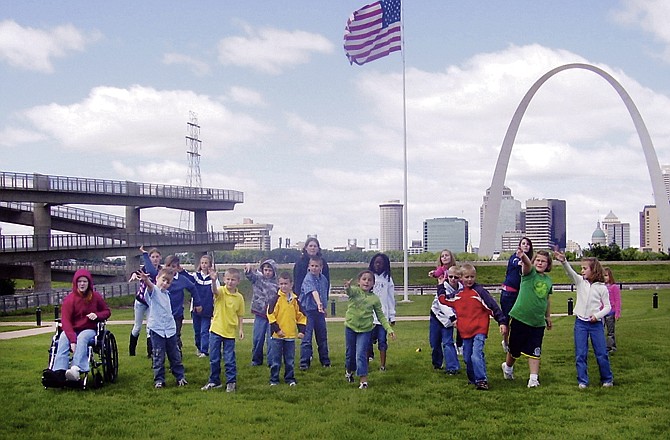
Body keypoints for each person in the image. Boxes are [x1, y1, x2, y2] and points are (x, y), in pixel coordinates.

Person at [555, 252, 614, 389]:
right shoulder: (580, 282)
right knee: (581, 353)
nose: (582, 271)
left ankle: (607, 379)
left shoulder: (602, 288)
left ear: (593, 270)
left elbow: (607, 307)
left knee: (601, 353)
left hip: (596, 325)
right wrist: (564, 262)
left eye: (584, 268)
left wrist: (597, 316)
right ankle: (582, 381)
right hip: (580, 323)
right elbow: (571, 273)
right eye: (581, 268)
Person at [444, 263, 507, 390]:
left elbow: (492, 306)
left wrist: (502, 322)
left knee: (476, 355)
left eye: (472, 277)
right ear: (461, 278)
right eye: (466, 277)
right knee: (467, 357)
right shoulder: (459, 294)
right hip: (466, 331)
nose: (469, 280)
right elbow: (443, 299)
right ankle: (473, 379)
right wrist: (441, 285)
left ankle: (481, 380)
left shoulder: (480, 292)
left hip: (479, 329)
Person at [501, 249, 553, 388]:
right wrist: (523, 256)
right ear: (534, 261)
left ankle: (533, 379)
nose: (540, 263)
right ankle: (508, 367)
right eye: (538, 260)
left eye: (544, 261)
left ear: (548, 265)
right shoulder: (529, 274)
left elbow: (547, 299)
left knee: (535, 350)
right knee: (514, 350)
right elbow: (526, 265)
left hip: (537, 322)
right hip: (520, 318)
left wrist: (547, 316)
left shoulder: (548, 281)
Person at [51, 269, 111, 382]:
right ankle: (59, 371)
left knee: (82, 338)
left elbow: (107, 312)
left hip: (89, 329)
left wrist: (97, 315)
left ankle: (76, 368)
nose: (82, 284)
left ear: (89, 283)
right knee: (63, 338)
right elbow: (66, 321)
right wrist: (72, 340)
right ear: (75, 283)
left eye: (84, 281)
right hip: (73, 330)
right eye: (79, 281)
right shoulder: (70, 299)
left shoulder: (95, 297)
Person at [343, 270, 396, 389]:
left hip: (366, 330)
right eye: (364, 279)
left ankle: (363, 380)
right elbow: (349, 292)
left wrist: (389, 329)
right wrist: (347, 287)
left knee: (361, 354)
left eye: (370, 280)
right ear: (359, 281)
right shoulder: (355, 292)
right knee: (350, 354)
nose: (366, 282)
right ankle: (349, 371)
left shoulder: (375, 299)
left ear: (373, 284)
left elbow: (381, 316)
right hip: (351, 327)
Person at [137, 268, 187, 388]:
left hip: (169, 330)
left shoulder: (167, 295)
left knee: (175, 355)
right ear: (157, 279)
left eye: (168, 282)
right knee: (159, 356)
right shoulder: (154, 291)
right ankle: (159, 380)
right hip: (157, 330)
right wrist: (146, 280)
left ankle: (180, 377)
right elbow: (151, 287)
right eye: (163, 280)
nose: (165, 284)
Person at [201, 268, 245, 393]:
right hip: (216, 329)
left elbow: (240, 315)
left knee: (229, 358)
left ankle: (231, 382)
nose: (230, 282)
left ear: (238, 281)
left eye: (233, 280)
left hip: (230, 332)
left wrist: (241, 330)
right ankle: (214, 381)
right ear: (224, 279)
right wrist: (213, 280)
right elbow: (214, 291)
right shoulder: (221, 291)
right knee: (214, 358)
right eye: (228, 279)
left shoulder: (239, 297)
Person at [144, 254, 197, 352]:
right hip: (161, 316)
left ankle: (177, 357)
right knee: (160, 338)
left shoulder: (181, 279)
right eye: (168, 266)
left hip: (177, 314)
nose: (171, 269)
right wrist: (145, 255)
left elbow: (193, 286)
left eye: (173, 266)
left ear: (178, 267)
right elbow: (151, 272)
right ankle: (157, 357)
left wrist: (197, 303)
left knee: (175, 336)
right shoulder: (161, 279)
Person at [267, 272, 306, 386]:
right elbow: (270, 315)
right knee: (276, 360)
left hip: (290, 335)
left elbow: (301, 316)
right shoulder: (275, 299)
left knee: (290, 360)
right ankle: (274, 379)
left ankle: (290, 378)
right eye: (281, 284)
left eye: (286, 284)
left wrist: (302, 330)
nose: (283, 286)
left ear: (291, 284)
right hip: (277, 336)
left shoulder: (295, 300)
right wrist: (277, 330)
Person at [500, 237, 534, 353]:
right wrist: (522, 261)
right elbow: (517, 264)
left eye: (528, 244)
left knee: (519, 320)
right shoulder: (514, 257)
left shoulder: (529, 260)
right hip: (508, 294)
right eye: (523, 243)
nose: (526, 246)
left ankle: (518, 342)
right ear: (519, 245)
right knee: (506, 319)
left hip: (520, 294)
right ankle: (505, 341)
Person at [128, 246, 161, 357]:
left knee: (149, 326)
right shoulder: (145, 269)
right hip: (140, 301)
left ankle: (150, 353)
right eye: (153, 257)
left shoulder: (160, 271)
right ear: (149, 258)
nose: (155, 259)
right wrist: (133, 275)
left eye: (157, 257)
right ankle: (132, 352)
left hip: (151, 303)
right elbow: (135, 272)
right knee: (137, 327)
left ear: (160, 258)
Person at [299, 256, 331, 369]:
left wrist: (324, 307)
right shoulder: (308, 278)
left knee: (322, 337)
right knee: (306, 338)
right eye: (312, 266)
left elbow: (323, 295)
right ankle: (304, 363)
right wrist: (319, 304)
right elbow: (314, 292)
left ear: (321, 267)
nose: (314, 268)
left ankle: (325, 361)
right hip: (308, 311)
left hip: (319, 312)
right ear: (308, 266)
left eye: (316, 266)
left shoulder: (324, 280)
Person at [245, 259, 278, 366]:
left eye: (270, 270)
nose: (267, 272)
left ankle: (271, 361)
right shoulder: (258, 278)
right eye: (265, 270)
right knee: (258, 338)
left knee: (271, 339)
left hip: (272, 315)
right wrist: (248, 268)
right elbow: (250, 276)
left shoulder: (277, 284)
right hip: (259, 313)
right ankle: (256, 360)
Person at [367, 253, 396, 371]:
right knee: (367, 341)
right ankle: (367, 362)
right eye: (376, 263)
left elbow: (390, 298)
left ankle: (383, 366)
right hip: (369, 316)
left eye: (381, 263)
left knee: (382, 341)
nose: (378, 265)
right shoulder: (369, 277)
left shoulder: (388, 279)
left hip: (382, 317)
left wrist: (392, 316)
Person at [431, 266, 461, 375]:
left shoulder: (462, 289)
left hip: (449, 320)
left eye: (456, 277)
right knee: (434, 343)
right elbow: (443, 304)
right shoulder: (442, 287)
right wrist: (453, 317)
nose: (453, 279)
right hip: (437, 315)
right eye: (451, 276)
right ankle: (437, 363)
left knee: (448, 342)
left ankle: (452, 368)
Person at [185, 254, 216, 358]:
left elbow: (216, 291)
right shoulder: (195, 276)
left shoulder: (213, 278)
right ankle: (198, 347)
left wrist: (213, 280)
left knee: (204, 331)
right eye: (202, 263)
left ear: (210, 265)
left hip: (207, 308)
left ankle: (204, 350)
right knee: (197, 331)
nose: (204, 265)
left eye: (206, 263)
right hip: (195, 308)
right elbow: (187, 278)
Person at [603, 267, 622, 353]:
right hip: (601, 312)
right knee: (599, 330)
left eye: (606, 275)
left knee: (610, 331)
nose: (605, 277)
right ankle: (602, 346)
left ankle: (611, 347)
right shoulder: (601, 287)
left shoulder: (614, 287)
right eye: (603, 275)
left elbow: (618, 301)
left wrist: (617, 313)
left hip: (610, 312)